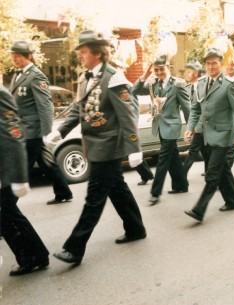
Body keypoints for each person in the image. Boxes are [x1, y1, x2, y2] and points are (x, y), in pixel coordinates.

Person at [48, 30, 147, 265]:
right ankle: (135, 228)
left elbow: (128, 115)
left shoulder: (113, 77)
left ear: (97, 54)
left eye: (83, 52)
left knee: (94, 197)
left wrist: (134, 147)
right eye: (80, 52)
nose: (80, 56)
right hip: (93, 145)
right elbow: (78, 110)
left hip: (108, 146)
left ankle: (75, 248)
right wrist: (60, 131)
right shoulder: (85, 78)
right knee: (117, 188)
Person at [183, 48, 234, 222]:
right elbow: (196, 109)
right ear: (204, 65)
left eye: (215, 63)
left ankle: (199, 209)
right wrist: (191, 127)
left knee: (212, 173)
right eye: (208, 63)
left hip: (223, 135)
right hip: (206, 135)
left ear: (221, 64)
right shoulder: (202, 83)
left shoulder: (229, 85)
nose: (211, 66)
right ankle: (233, 201)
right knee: (223, 170)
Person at [8, 40, 72, 205]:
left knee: (22, 165)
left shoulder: (36, 75)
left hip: (32, 130)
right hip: (23, 129)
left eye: (18, 56)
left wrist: (46, 132)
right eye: (13, 56)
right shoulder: (18, 75)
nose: (15, 59)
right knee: (46, 163)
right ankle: (63, 192)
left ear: (29, 56)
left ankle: (7, 203)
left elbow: (45, 106)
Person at [0, 85, 50, 276]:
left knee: (7, 213)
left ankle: (33, 257)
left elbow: (15, 135)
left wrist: (19, 176)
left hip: (6, 167)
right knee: (7, 214)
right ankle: (36, 255)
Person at [132, 55, 190, 205]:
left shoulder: (178, 84)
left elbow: (187, 107)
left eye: (161, 69)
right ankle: (181, 185)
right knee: (173, 156)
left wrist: (191, 128)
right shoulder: (153, 84)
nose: (159, 73)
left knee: (163, 158)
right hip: (159, 125)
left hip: (172, 126)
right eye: (156, 70)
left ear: (168, 67)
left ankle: (155, 192)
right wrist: (145, 74)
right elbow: (135, 90)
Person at [109, 57, 155, 185]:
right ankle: (147, 175)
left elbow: (132, 109)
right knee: (130, 153)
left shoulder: (125, 86)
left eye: (118, 69)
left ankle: (146, 175)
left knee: (130, 152)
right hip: (120, 126)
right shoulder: (116, 84)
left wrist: (131, 127)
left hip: (126, 126)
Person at [182, 60, 209, 176]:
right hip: (193, 123)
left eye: (188, 72)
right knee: (205, 150)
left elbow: (202, 109)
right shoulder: (187, 88)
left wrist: (194, 126)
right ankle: (209, 171)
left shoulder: (204, 86)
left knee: (193, 150)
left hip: (202, 124)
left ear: (196, 73)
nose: (185, 74)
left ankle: (181, 175)